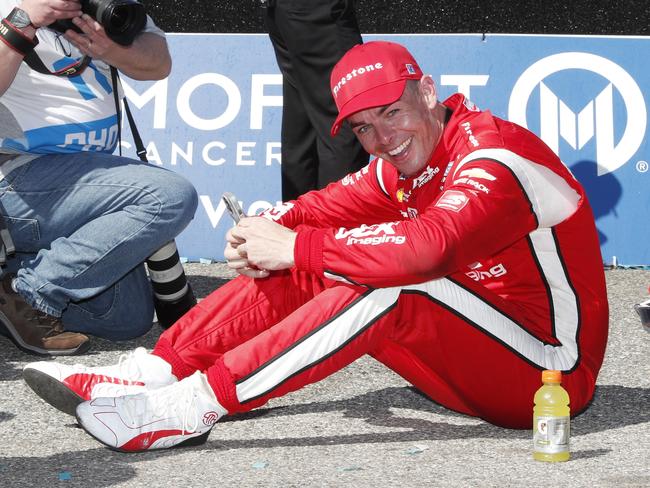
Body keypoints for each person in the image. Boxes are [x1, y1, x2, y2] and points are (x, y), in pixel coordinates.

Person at [22, 40, 609, 452]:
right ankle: (154, 371)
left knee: (384, 278)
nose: (383, 138)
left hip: (548, 377)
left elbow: (429, 250)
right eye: (362, 128)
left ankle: (186, 409)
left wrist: (297, 246)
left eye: (392, 113)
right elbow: (312, 209)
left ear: (428, 91)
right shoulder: (398, 164)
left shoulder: (495, 156)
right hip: (469, 364)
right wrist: (263, 226)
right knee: (319, 252)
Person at [0, 0, 198, 356]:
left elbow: (158, 63)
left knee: (125, 319)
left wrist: (112, 49)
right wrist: (22, 21)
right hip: (16, 179)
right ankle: (27, 292)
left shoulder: (98, 3)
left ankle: (13, 284)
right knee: (167, 196)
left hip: (87, 188)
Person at [263, 0, 369, 200]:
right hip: (315, 12)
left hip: (288, 12)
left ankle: (296, 223)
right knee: (345, 120)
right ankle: (334, 224)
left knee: (304, 124)